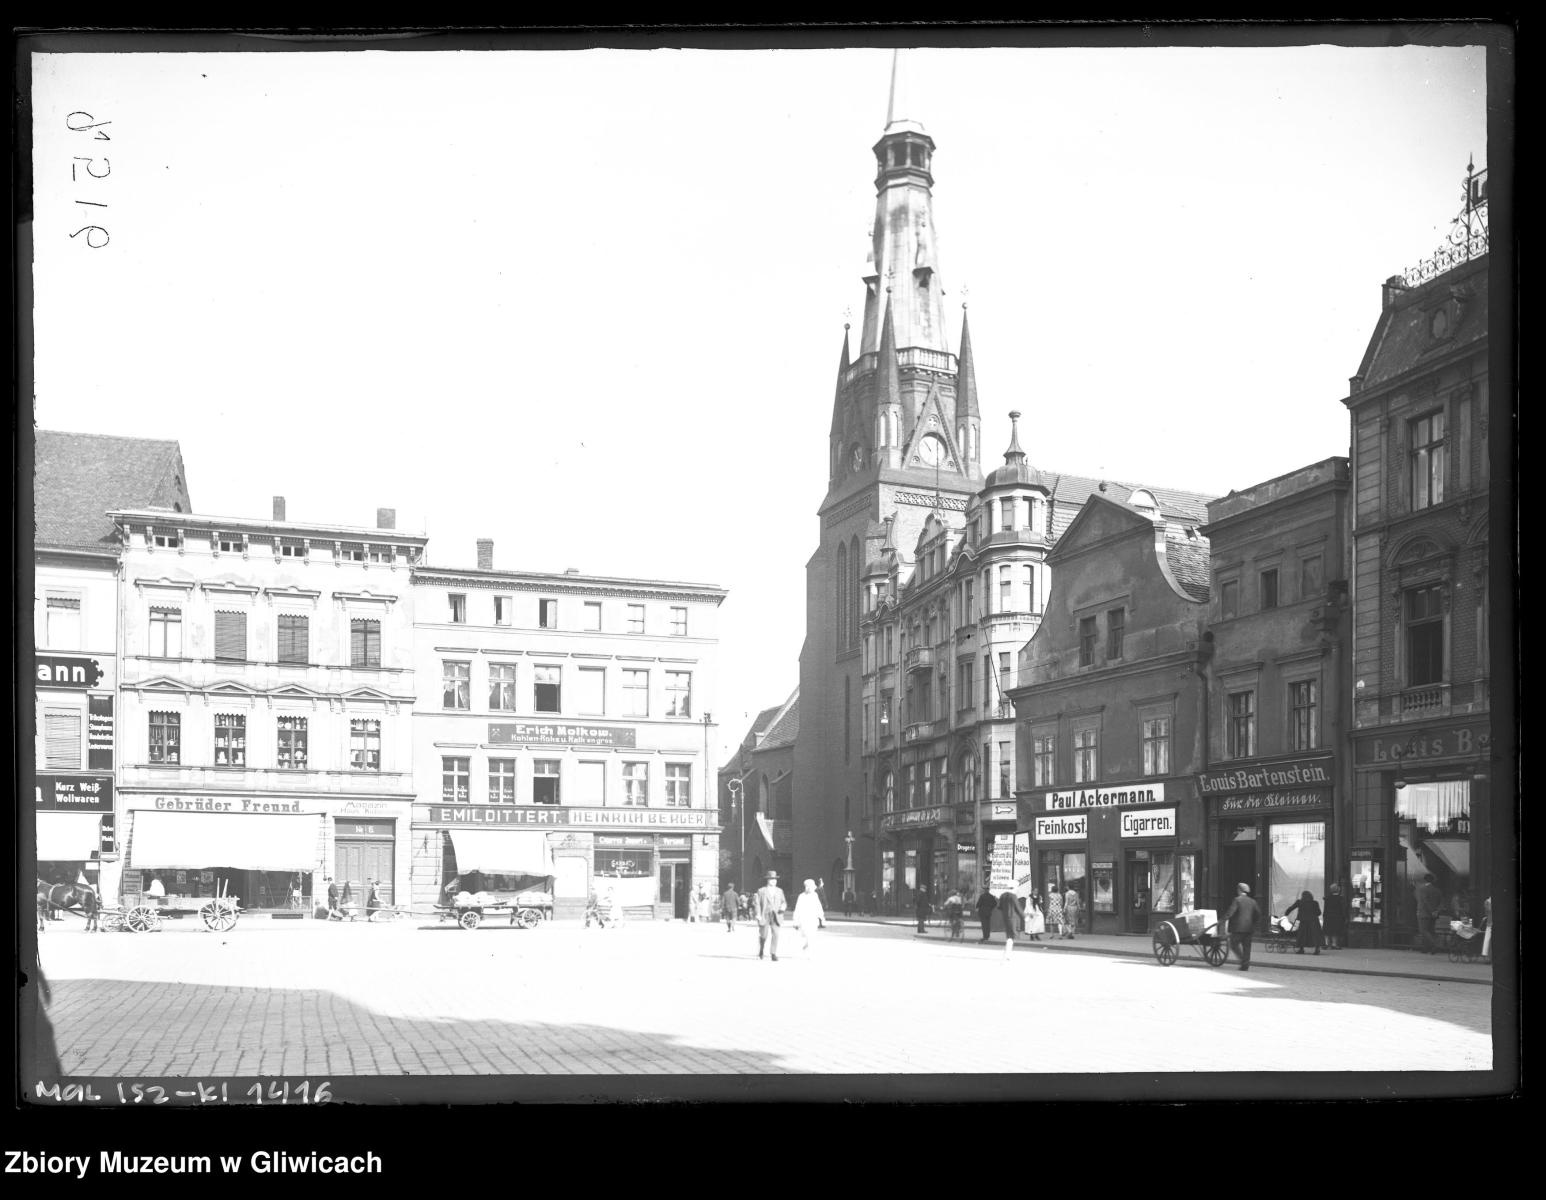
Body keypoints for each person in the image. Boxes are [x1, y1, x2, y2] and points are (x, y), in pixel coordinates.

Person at [1223, 882, 1264, 971]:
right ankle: (1245, 965)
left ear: (1239, 890)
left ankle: (1243, 961)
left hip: (1238, 928)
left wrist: (1222, 920)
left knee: (1233, 944)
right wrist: (1253, 923)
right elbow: (1258, 914)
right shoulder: (1253, 901)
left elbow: (1231, 912)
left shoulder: (1237, 900)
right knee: (1247, 947)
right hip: (1249, 929)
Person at [755, 871, 787, 961]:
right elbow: (757, 903)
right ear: (767, 880)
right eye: (772, 879)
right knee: (763, 935)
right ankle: (761, 950)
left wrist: (783, 907)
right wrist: (758, 914)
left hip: (776, 915)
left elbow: (783, 901)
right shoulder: (761, 891)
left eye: (775, 879)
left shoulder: (779, 891)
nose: (774, 881)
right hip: (765, 915)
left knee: (776, 934)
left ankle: (773, 953)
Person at [793, 878, 825, 957]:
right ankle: (806, 945)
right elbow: (797, 909)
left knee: (812, 935)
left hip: (813, 918)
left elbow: (818, 906)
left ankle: (810, 952)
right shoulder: (801, 896)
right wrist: (795, 921)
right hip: (804, 919)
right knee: (806, 934)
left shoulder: (815, 895)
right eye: (808, 887)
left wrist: (821, 917)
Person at [1285, 890, 1323, 955]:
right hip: (1314, 921)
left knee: (1302, 935)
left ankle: (1301, 949)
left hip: (1303, 921)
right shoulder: (1315, 903)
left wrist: (1286, 913)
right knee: (1315, 935)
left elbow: (1291, 908)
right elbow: (1319, 913)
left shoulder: (1299, 902)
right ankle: (1317, 949)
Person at [1415, 874, 1445, 954]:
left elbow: (1425, 901)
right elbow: (1441, 903)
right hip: (1434, 915)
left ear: (1424, 880)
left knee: (1423, 930)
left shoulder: (1422, 889)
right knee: (1431, 930)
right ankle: (1426, 948)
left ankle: (1435, 945)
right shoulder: (1437, 890)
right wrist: (1436, 911)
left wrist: (1431, 911)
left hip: (1424, 913)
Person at [998, 889, 1022, 960]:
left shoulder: (1003, 895)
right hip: (1012, 918)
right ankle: (1007, 954)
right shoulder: (1013, 896)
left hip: (1005, 917)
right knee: (1011, 936)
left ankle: (1007, 953)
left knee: (1009, 935)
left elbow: (999, 906)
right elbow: (1018, 908)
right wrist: (1025, 917)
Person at [1322, 883, 1347, 951]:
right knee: (1335, 931)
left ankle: (1326, 944)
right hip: (1337, 916)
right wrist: (1344, 916)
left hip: (1328, 916)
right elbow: (1342, 908)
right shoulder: (1340, 898)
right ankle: (1334, 944)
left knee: (1327, 930)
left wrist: (1324, 915)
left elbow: (1325, 908)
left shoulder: (1327, 898)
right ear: (1338, 890)